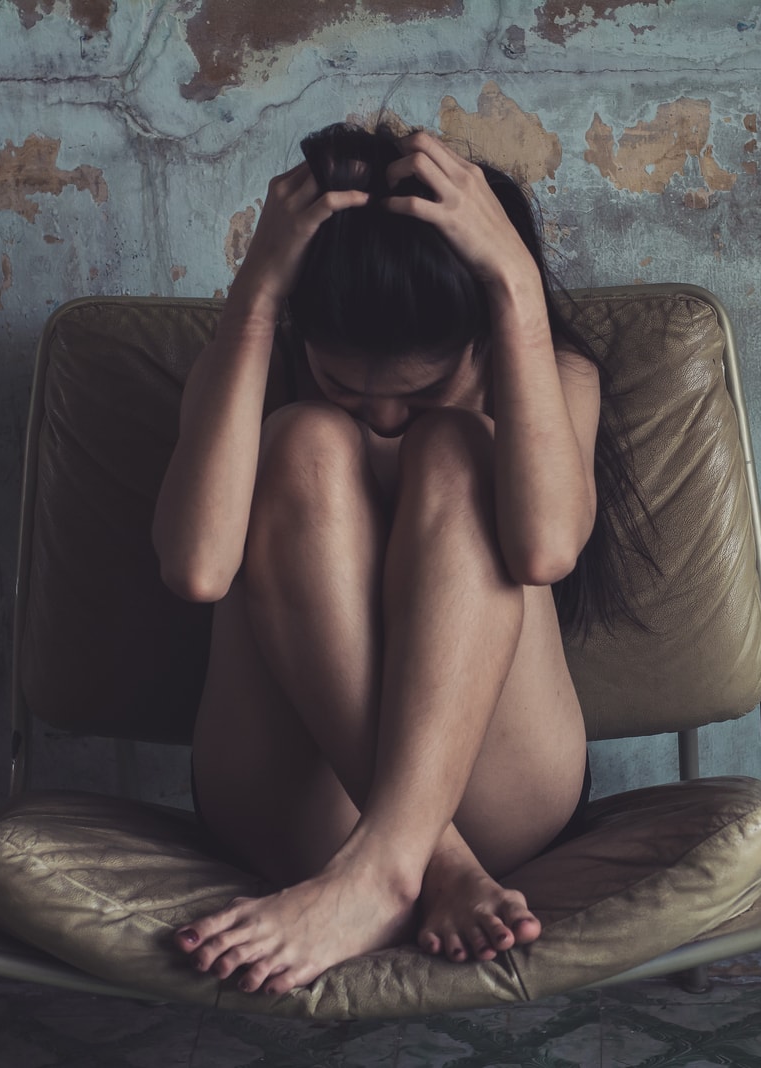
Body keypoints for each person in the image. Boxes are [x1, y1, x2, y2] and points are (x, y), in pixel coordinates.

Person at [151, 121, 647, 997]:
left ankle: (385, 862)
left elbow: (544, 547)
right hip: (291, 798)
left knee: (459, 448)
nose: (383, 419)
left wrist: (517, 294)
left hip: (499, 793)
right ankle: (412, 864)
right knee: (303, 438)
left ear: (481, 338)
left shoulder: (547, 372)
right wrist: (260, 298)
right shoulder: (249, 370)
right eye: (347, 385)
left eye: (418, 392)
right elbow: (196, 569)